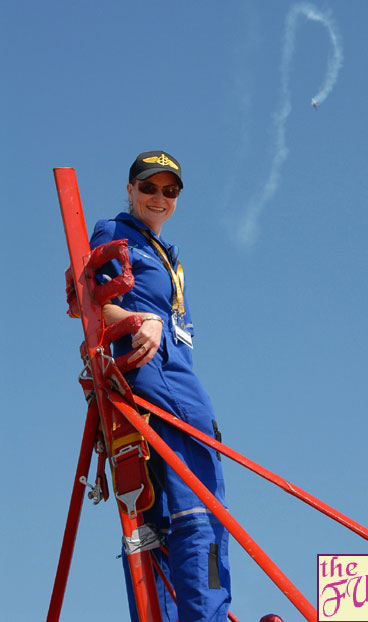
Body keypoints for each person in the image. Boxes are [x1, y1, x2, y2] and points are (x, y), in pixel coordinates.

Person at [90, 151, 231, 622]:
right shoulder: (115, 233)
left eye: (169, 191)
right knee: (203, 512)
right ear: (130, 189)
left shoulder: (163, 250)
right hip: (158, 379)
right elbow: (85, 301)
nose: (159, 197)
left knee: (161, 518)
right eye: (149, 187)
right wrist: (134, 318)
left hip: (173, 375)